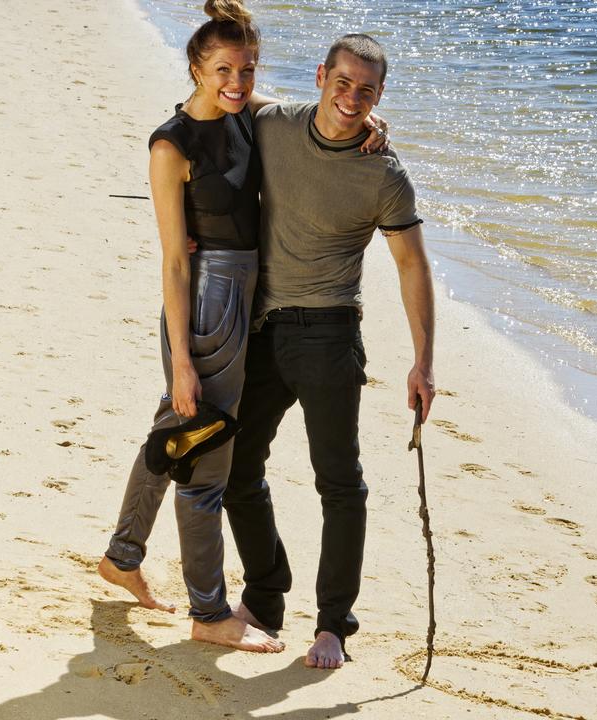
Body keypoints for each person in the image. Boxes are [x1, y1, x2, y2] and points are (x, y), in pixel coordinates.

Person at [94, 2, 389, 653]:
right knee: (206, 454)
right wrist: (179, 360)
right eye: (223, 68)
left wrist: (371, 121)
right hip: (209, 303)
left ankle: (122, 554)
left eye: (248, 69)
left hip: (252, 292)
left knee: (177, 426)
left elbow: (317, 119)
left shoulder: (247, 118)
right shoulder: (172, 145)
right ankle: (208, 611)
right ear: (195, 64)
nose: (237, 80)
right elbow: (173, 259)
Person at [221, 33, 436, 670]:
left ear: (380, 96)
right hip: (260, 328)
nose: (351, 98)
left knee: (339, 484)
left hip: (330, 334)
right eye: (342, 83)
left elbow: (411, 265)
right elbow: (223, 91)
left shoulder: (385, 174)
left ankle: (333, 626)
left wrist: (423, 360)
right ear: (320, 76)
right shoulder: (275, 124)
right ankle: (264, 598)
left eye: (366, 91)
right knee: (235, 470)